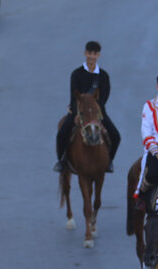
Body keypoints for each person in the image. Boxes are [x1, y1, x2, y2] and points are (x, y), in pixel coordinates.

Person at [54, 41, 121, 173]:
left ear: (98, 55)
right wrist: (76, 111)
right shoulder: (76, 74)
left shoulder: (103, 76)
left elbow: (104, 97)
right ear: (85, 53)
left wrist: (96, 109)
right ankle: (61, 161)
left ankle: (109, 161)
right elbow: (73, 95)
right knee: (62, 134)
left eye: (95, 54)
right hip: (79, 111)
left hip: (97, 112)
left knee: (116, 135)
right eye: (89, 53)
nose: (92, 56)